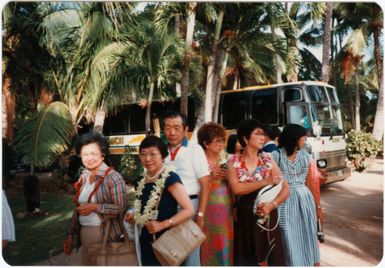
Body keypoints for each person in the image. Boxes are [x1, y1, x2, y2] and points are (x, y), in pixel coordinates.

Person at [227, 119, 290, 266]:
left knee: (270, 255)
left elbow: (286, 189)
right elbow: (237, 189)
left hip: (267, 213)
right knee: (248, 256)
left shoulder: (268, 160)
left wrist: (271, 205)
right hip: (245, 216)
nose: (263, 138)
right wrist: (265, 181)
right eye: (258, 134)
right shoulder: (233, 162)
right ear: (245, 138)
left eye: (263, 134)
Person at [125, 135, 194, 266]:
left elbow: (189, 210)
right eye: (143, 154)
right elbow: (144, 208)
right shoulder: (141, 180)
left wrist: (163, 224)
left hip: (168, 240)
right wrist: (135, 216)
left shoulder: (170, 178)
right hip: (146, 239)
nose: (148, 159)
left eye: (153, 154)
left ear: (163, 156)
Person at [63, 131, 127, 265]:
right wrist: (70, 234)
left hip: (104, 234)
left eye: (93, 153)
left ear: (102, 155)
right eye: (85, 154)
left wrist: (95, 207)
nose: (89, 158)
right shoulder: (84, 176)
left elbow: (121, 208)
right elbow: (79, 208)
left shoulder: (113, 177)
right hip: (84, 233)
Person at [162, 111, 211, 266]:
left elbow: (205, 185)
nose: (172, 132)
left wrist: (200, 216)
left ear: (185, 129)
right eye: (168, 127)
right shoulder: (160, 151)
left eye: (177, 127)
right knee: (168, 252)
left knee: (190, 253)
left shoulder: (194, 150)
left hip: (190, 207)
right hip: (166, 207)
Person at [271, 124, 322, 266]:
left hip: (305, 200)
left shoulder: (305, 156)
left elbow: (310, 183)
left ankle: (309, 262)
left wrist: (318, 206)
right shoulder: (275, 156)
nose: (305, 139)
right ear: (294, 138)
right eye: (302, 136)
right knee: (288, 235)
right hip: (284, 199)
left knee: (307, 233)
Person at [197, 122, 233, 266]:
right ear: (206, 143)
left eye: (223, 141)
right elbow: (194, 186)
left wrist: (228, 178)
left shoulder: (227, 158)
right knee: (207, 240)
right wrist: (211, 176)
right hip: (207, 205)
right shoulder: (199, 160)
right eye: (217, 141)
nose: (221, 144)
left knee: (225, 239)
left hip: (226, 204)